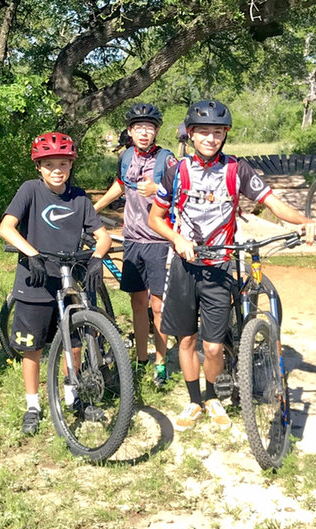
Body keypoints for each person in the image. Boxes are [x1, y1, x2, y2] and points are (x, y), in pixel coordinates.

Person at [148, 100, 316, 431]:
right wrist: (178, 239)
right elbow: (155, 218)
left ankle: (212, 395)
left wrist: (303, 222)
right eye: (203, 132)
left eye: (217, 132)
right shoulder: (177, 172)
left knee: (213, 346)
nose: (210, 139)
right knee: (186, 340)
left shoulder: (237, 170)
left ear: (225, 135)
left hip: (219, 266)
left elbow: (273, 203)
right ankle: (194, 401)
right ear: (191, 134)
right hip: (185, 266)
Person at [0, 132, 112, 436]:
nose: (57, 170)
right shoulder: (30, 191)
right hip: (34, 279)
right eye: (49, 164)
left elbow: (103, 236)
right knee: (32, 349)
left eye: (63, 163)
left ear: (71, 165)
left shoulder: (79, 197)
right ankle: (33, 405)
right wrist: (31, 254)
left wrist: (98, 257)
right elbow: (6, 228)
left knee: (73, 345)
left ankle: (72, 397)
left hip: (68, 279)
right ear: (39, 166)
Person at [93, 102, 177, 388]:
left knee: (158, 305)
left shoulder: (167, 159)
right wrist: (94, 208)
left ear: (156, 131)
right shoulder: (127, 155)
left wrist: (159, 189)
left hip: (158, 240)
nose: (144, 133)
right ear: (130, 131)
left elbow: (182, 192)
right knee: (137, 302)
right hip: (132, 239)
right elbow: (121, 184)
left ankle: (161, 363)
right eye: (139, 128)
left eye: (149, 128)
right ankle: (142, 359)